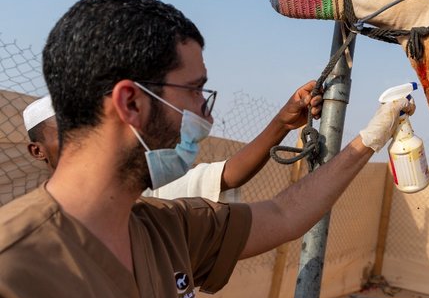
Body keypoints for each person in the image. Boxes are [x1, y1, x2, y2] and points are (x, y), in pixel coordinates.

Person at [0, 0, 409, 298]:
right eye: (195, 92)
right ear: (131, 103)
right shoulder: (14, 275)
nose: (206, 115)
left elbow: (284, 214)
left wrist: (369, 139)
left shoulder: (168, 230)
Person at [22, 90, 313, 202]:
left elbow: (225, 176)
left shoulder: (141, 189)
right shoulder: (27, 229)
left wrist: (282, 124)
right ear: (37, 150)